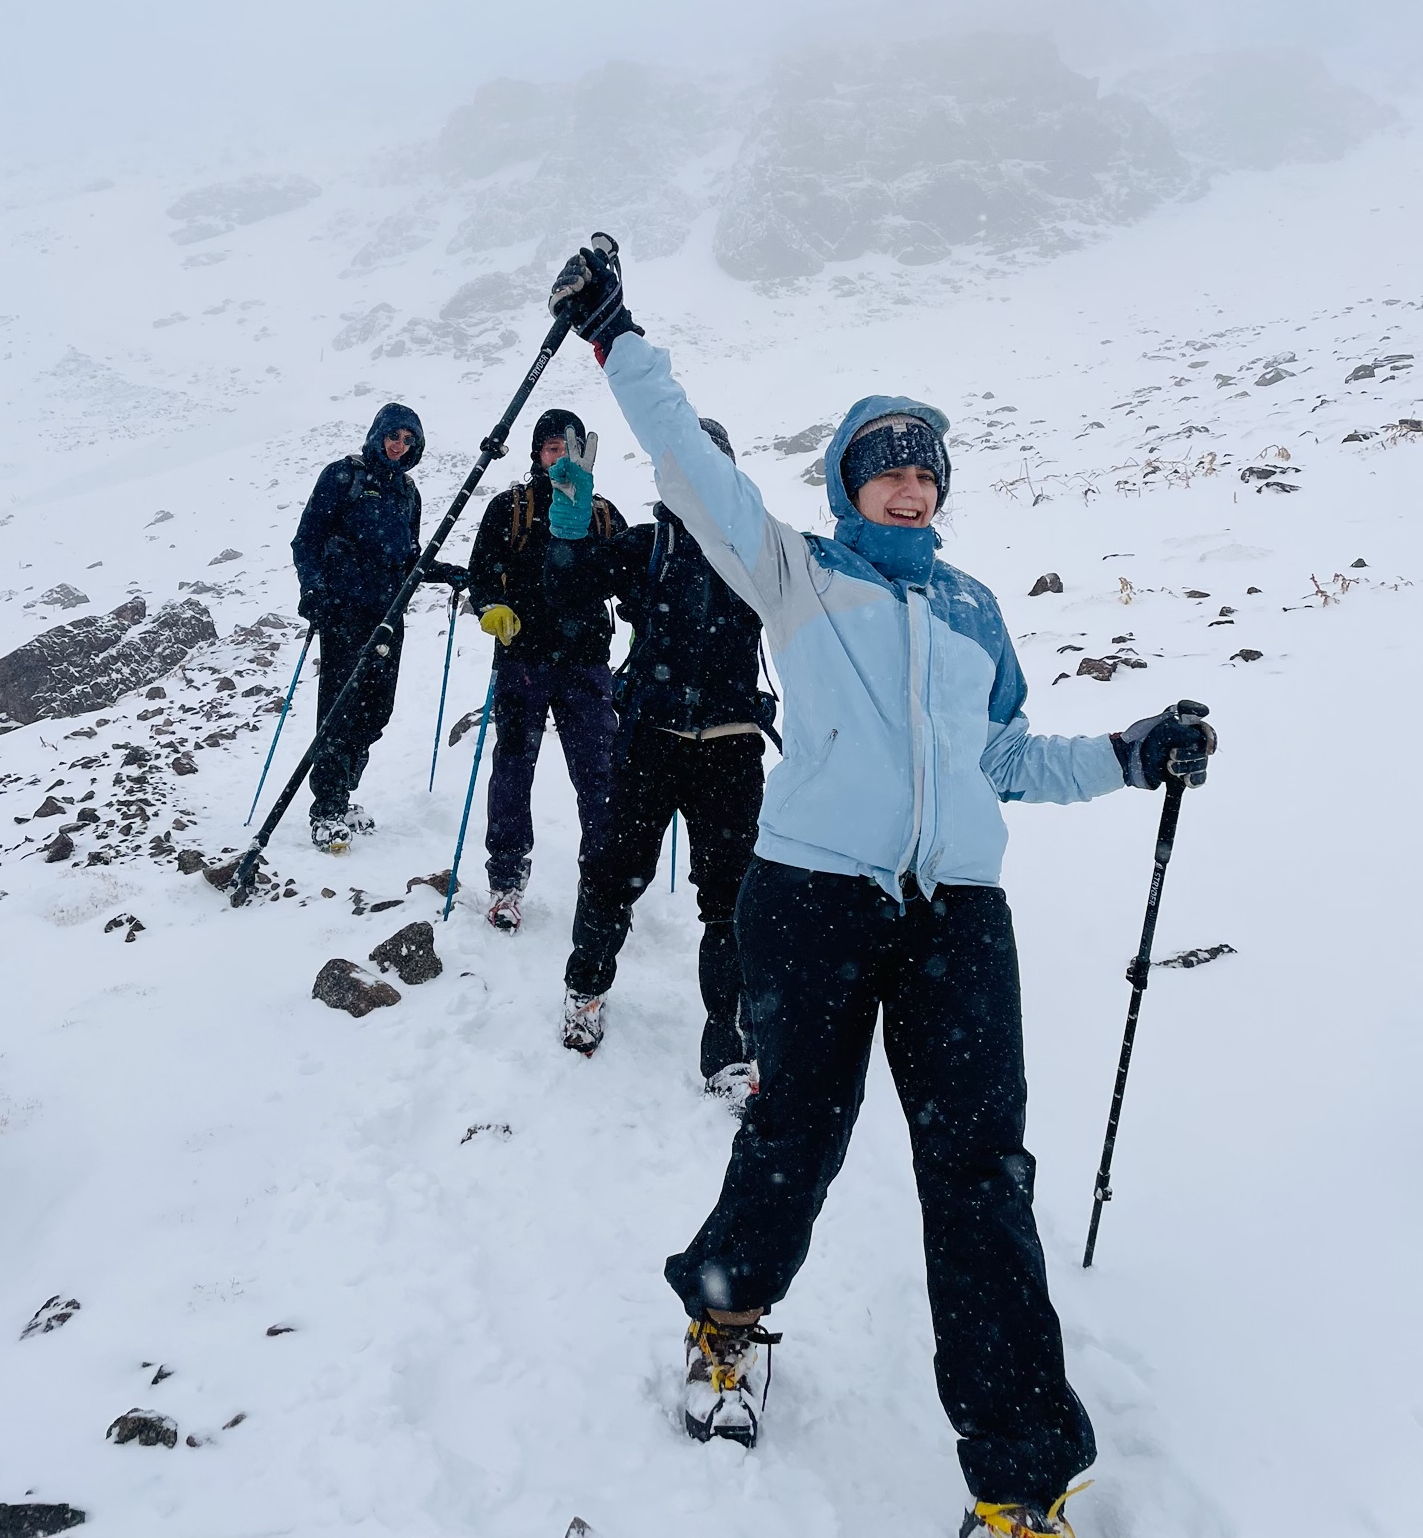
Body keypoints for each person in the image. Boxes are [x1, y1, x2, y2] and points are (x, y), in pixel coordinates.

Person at [546, 238, 1218, 1538]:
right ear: (850, 482)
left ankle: (1020, 1484)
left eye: (924, 468)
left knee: (982, 1179)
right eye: (886, 465)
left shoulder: (973, 611)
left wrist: (1129, 756)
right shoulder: (798, 572)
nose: (909, 484)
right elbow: (684, 459)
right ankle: (728, 1317)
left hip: (958, 917)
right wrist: (616, 334)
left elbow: (1004, 758)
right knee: (796, 1133)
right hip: (813, 903)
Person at [543, 418, 772, 1094]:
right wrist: (569, 531)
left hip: (731, 745)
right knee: (612, 874)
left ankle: (729, 1039)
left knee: (731, 899)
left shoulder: (759, 550)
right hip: (650, 740)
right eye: (683, 466)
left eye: (709, 466)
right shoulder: (647, 546)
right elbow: (568, 590)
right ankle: (585, 989)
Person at [465, 408, 623, 932]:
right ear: (537, 452)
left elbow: (629, 581)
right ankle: (506, 879)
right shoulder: (510, 508)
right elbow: (481, 572)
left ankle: (602, 879)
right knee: (514, 768)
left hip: (586, 663)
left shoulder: (603, 514)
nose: (560, 457)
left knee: (600, 772)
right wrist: (490, 606)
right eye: (553, 447)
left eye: (569, 448)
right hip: (523, 659)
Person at [291, 401, 465, 852]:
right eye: (394, 436)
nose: (399, 446)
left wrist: (443, 572)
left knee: (375, 711)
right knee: (340, 708)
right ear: (378, 434)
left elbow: (409, 559)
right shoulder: (342, 477)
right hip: (343, 611)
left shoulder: (408, 493)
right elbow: (306, 540)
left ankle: (344, 792)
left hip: (388, 615)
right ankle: (327, 808)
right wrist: (314, 590)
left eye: (409, 440)